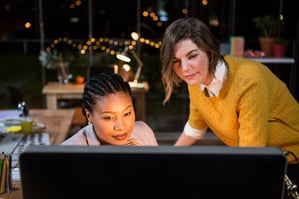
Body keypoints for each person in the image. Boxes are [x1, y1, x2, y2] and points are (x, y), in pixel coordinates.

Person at [160, 17, 299, 198]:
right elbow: (195, 126)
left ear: (209, 52)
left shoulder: (248, 82)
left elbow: (251, 155)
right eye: (176, 60)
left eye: (192, 56)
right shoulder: (196, 78)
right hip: (257, 159)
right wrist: (166, 159)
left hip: (290, 161)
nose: (185, 68)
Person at [62, 72, 158, 146]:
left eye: (127, 114)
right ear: (89, 116)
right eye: (108, 117)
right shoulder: (70, 153)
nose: (121, 127)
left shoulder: (144, 133)